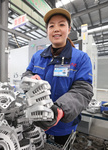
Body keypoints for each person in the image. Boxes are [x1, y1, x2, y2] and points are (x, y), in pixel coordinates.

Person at [22, 8, 93, 145]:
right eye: (51, 26)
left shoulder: (81, 58)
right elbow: (27, 74)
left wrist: (60, 110)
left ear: (69, 29)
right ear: (47, 31)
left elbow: (83, 90)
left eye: (61, 24)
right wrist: (30, 79)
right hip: (37, 120)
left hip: (64, 124)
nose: (56, 29)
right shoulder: (38, 56)